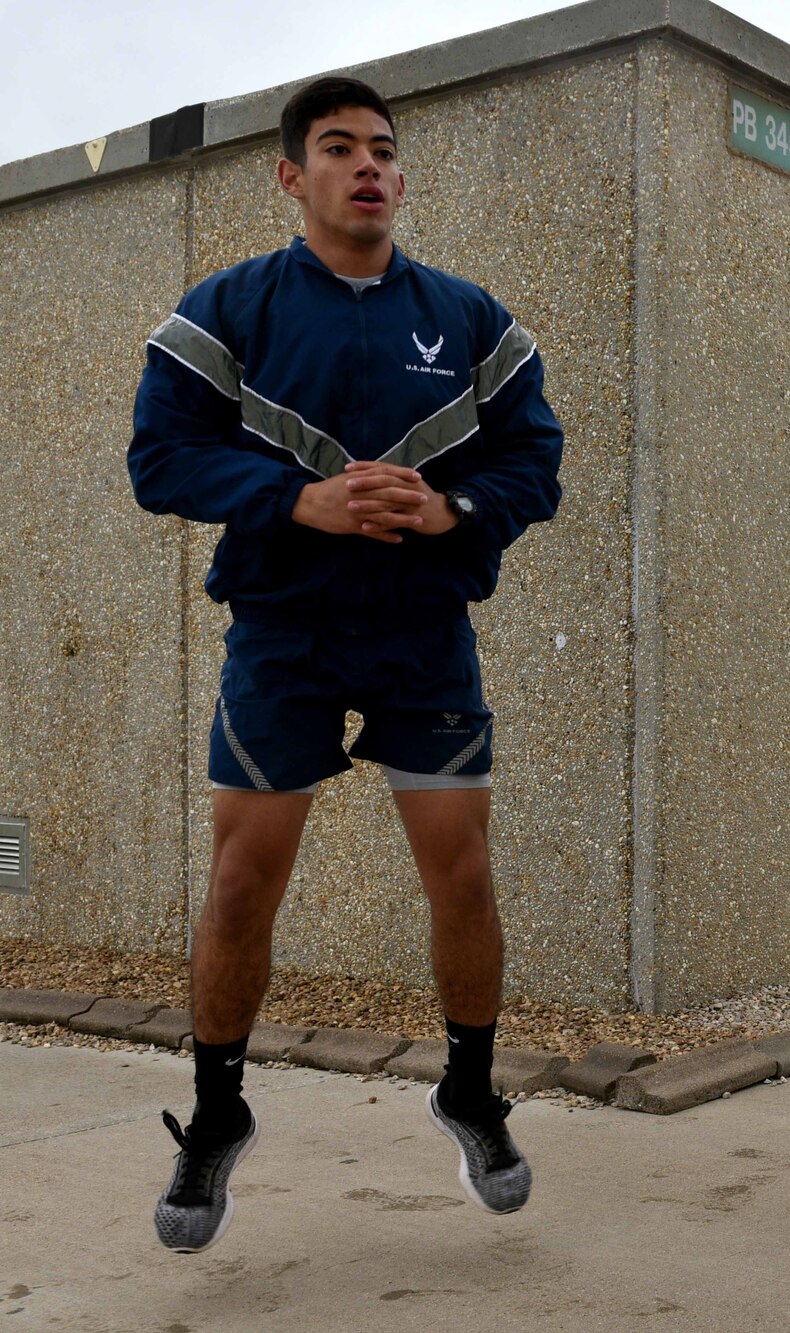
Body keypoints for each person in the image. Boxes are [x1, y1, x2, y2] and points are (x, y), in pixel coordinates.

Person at [127, 75, 563, 1251]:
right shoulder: (229, 310)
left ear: (399, 176)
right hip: (284, 636)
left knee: (462, 878)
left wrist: (455, 510)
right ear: (291, 175)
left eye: (381, 150)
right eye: (336, 149)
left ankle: (469, 1092)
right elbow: (158, 461)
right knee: (238, 882)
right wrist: (295, 501)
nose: (365, 166)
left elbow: (538, 463)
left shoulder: (470, 318)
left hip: (426, 639)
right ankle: (217, 1116)